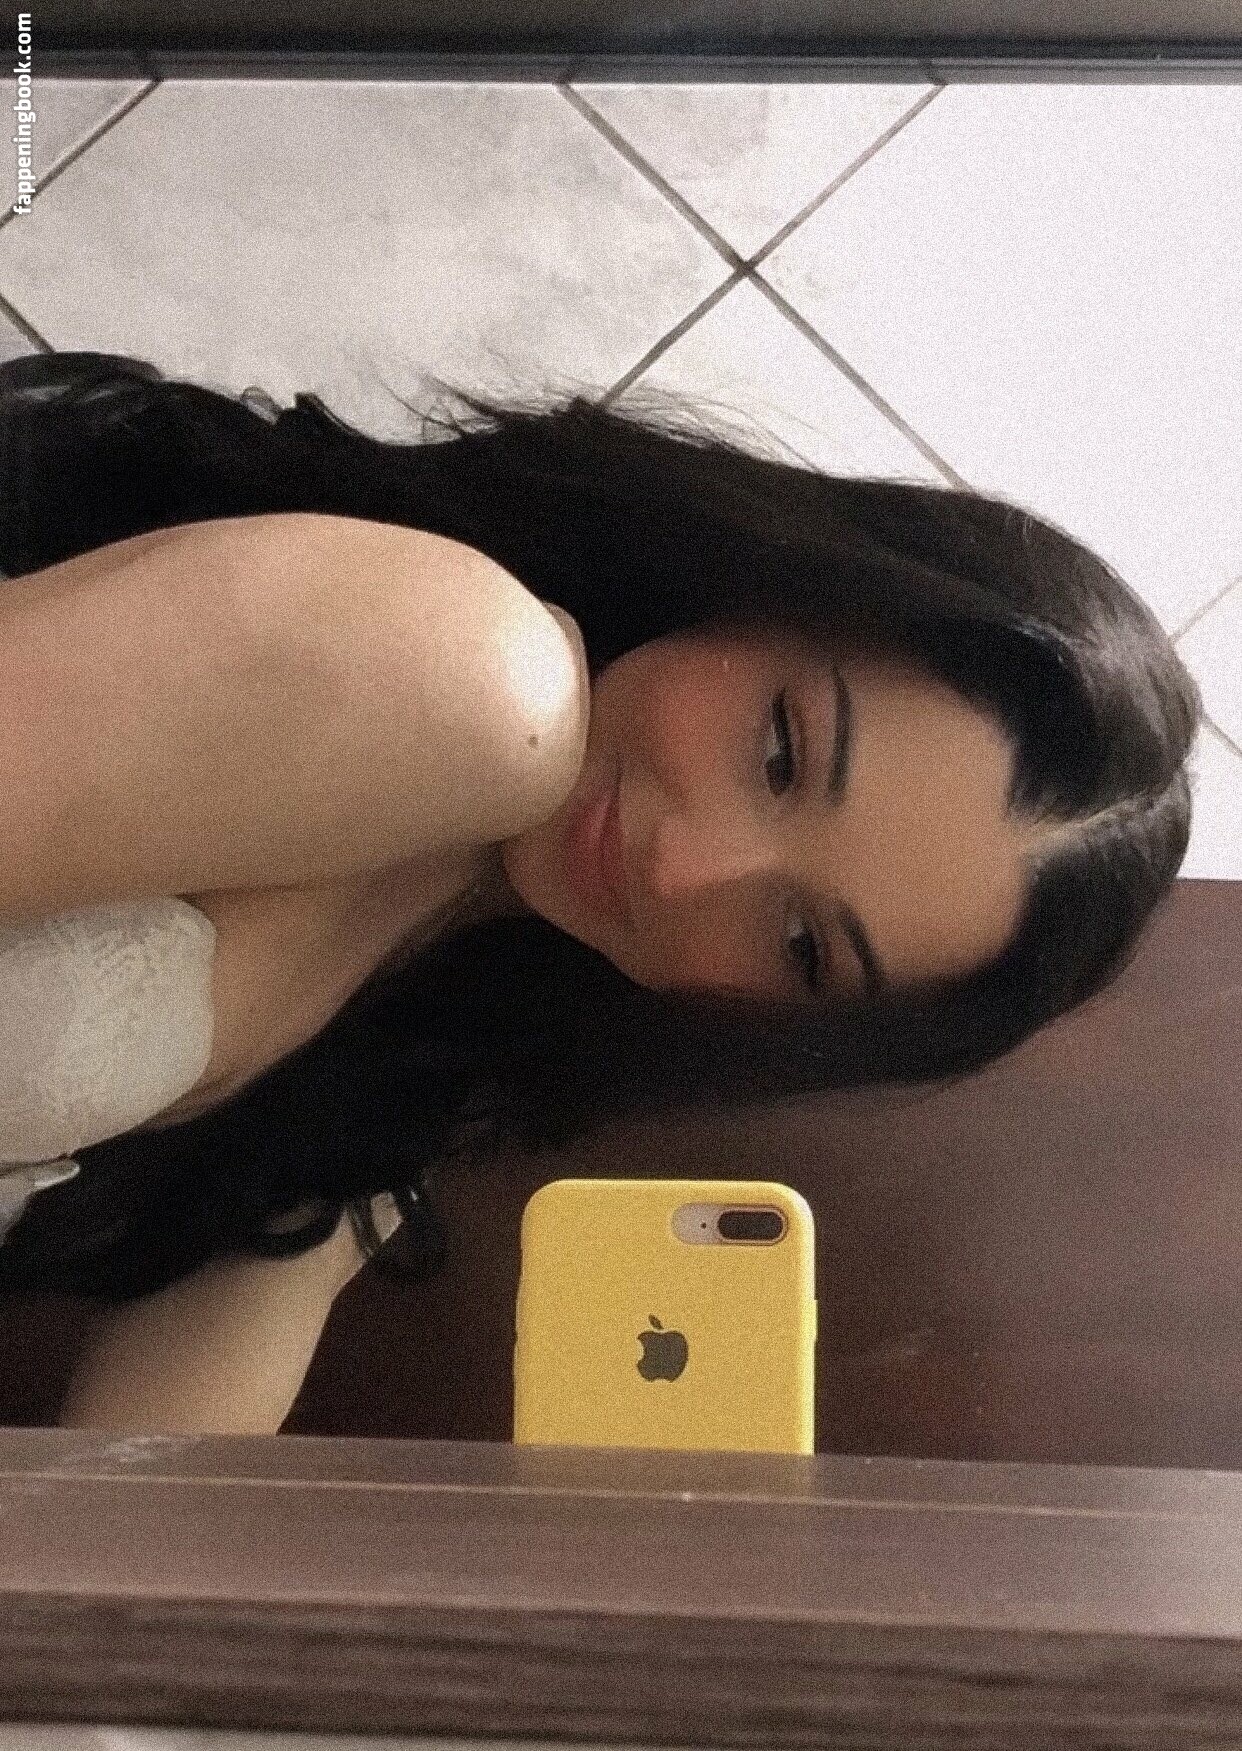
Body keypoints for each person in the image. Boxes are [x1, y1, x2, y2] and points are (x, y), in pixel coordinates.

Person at [0, 350, 1201, 1313]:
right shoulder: (485, 685)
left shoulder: (459, 988)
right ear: (771, 582)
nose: (683, 867)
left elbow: (220, 1357)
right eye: (781, 751)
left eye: (801, 946)